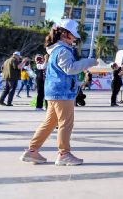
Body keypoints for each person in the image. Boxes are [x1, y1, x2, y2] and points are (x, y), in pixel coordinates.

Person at [21, 19, 97, 166]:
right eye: (73, 35)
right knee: (66, 123)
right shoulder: (62, 50)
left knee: (50, 122)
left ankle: (32, 151)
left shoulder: (55, 49)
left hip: (54, 91)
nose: (74, 38)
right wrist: (88, 62)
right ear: (64, 34)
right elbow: (70, 68)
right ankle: (64, 154)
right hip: (62, 92)